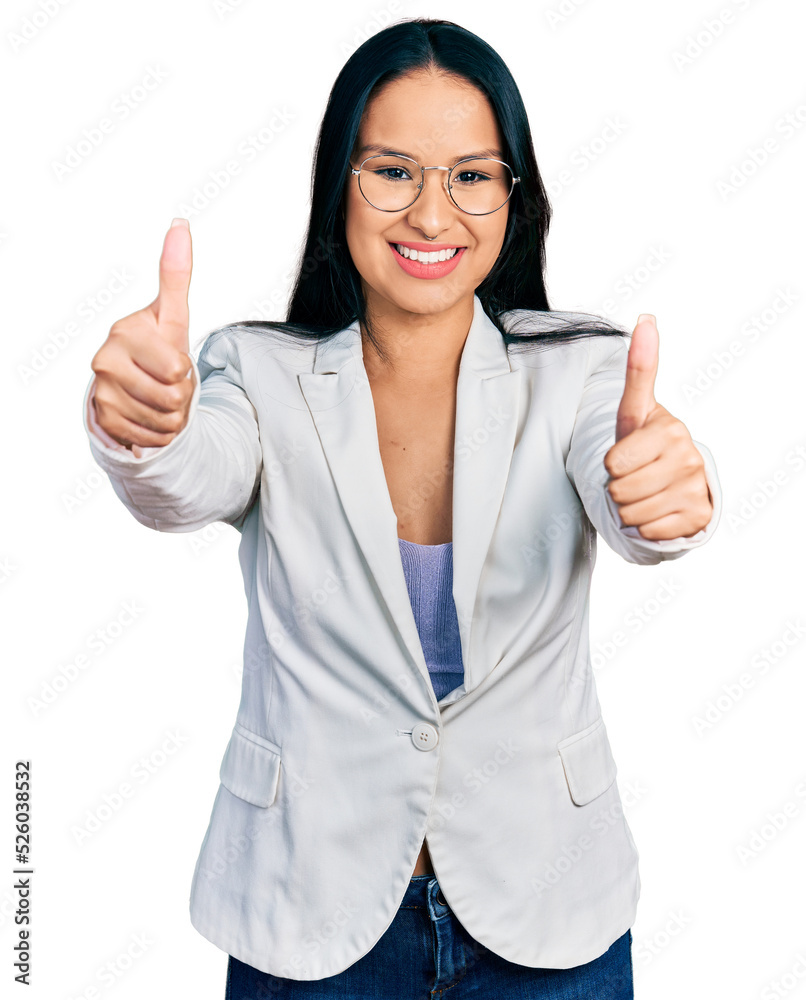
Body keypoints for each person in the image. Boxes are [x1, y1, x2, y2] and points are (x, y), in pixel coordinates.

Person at [82, 17, 721, 999]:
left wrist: (660, 492)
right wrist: (147, 427)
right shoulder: (257, 369)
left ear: (514, 196)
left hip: (544, 908)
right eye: (392, 171)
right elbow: (189, 475)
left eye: (470, 175)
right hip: (310, 914)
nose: (432, 214)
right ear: (338, 182)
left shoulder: (580, 370)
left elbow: (624, 471)